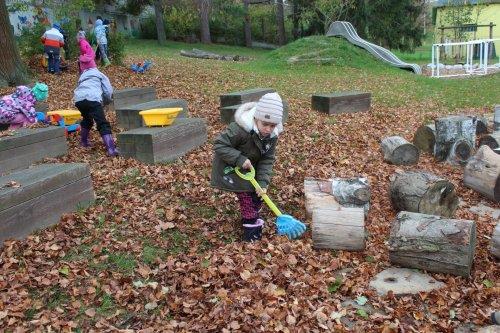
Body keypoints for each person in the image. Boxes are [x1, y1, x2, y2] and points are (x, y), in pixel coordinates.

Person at [211, 93, 284, 242]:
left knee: (258, 196)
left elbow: (267, 159)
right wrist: (239, 158)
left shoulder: (272, 136)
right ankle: (251, 234)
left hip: (251, 170)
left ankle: (252, 215)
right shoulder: (240, 129)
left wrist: (263, 183)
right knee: (247, 200)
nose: (269, 129)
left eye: (273, 125)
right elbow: (219, 144)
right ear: (256, 118)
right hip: (232, 168)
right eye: (265, 124)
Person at [73, 51, 118, 156]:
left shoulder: (82, 76)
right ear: (94, 65)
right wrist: (106, 102)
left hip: (79, 100)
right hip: (93, 99)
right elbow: (108, 91)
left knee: (87, 119)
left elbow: (81, 88)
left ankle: (83, 142)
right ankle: (111, 149)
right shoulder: (99, 74)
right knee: (102, 123)